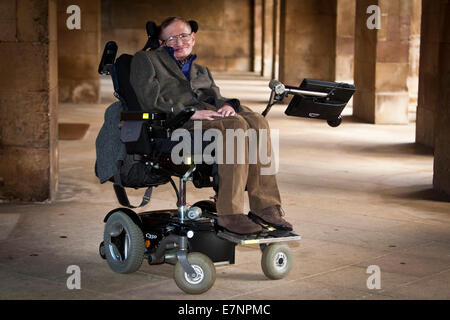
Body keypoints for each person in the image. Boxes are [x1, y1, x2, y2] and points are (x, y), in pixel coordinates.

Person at [130, 16, 293, 235]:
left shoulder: (201, 71)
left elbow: (215, 97)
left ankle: (265, 206)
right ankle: (230, 213)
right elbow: (149, 100)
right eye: (171, 38)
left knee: (257, 120)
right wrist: (191, 113)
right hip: (176, 124)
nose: (179, 42)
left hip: (208, 119)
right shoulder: (147, 60)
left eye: (184, 36)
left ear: (193, 38)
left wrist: (228, 105)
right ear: (161, 42)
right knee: (235, 126)